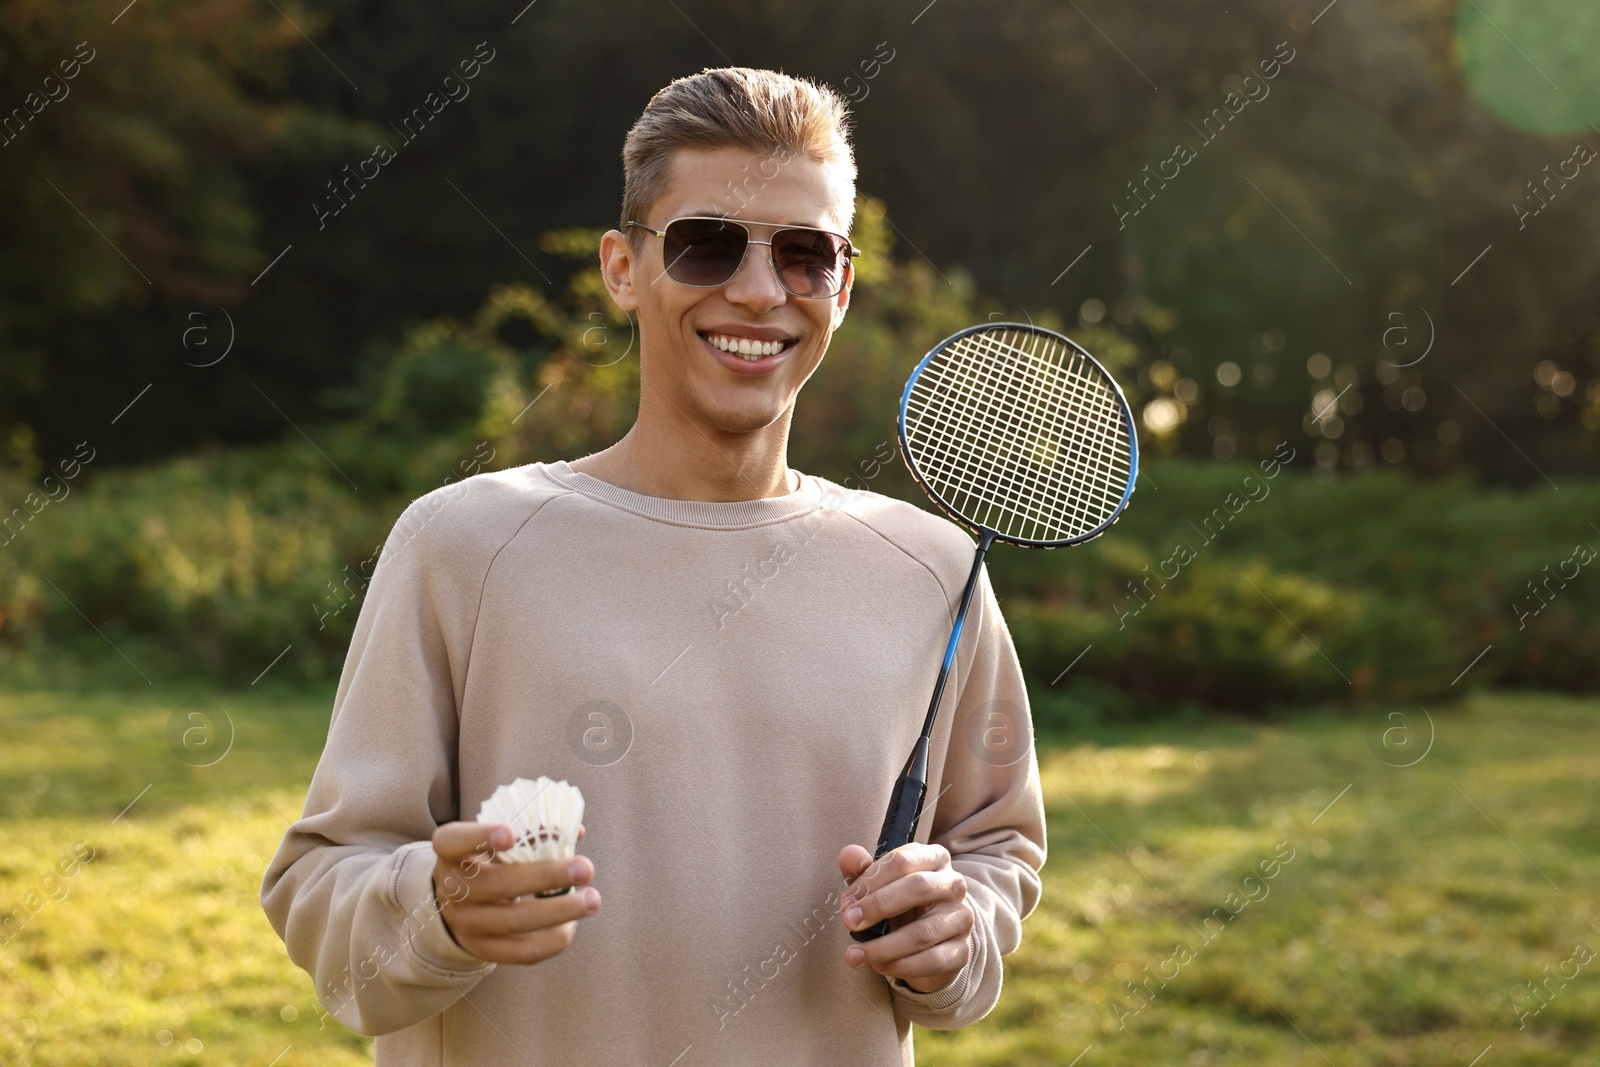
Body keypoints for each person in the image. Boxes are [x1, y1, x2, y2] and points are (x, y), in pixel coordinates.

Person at [262, 65, 1046, 1066]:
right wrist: (436, 911)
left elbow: (995, 855)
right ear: (624, 269)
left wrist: (953, 933)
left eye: (804, 254)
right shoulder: (460, 545)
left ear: (841, 285)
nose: (758, 291)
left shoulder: (932, 568)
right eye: (706, 245)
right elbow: (322, 891)